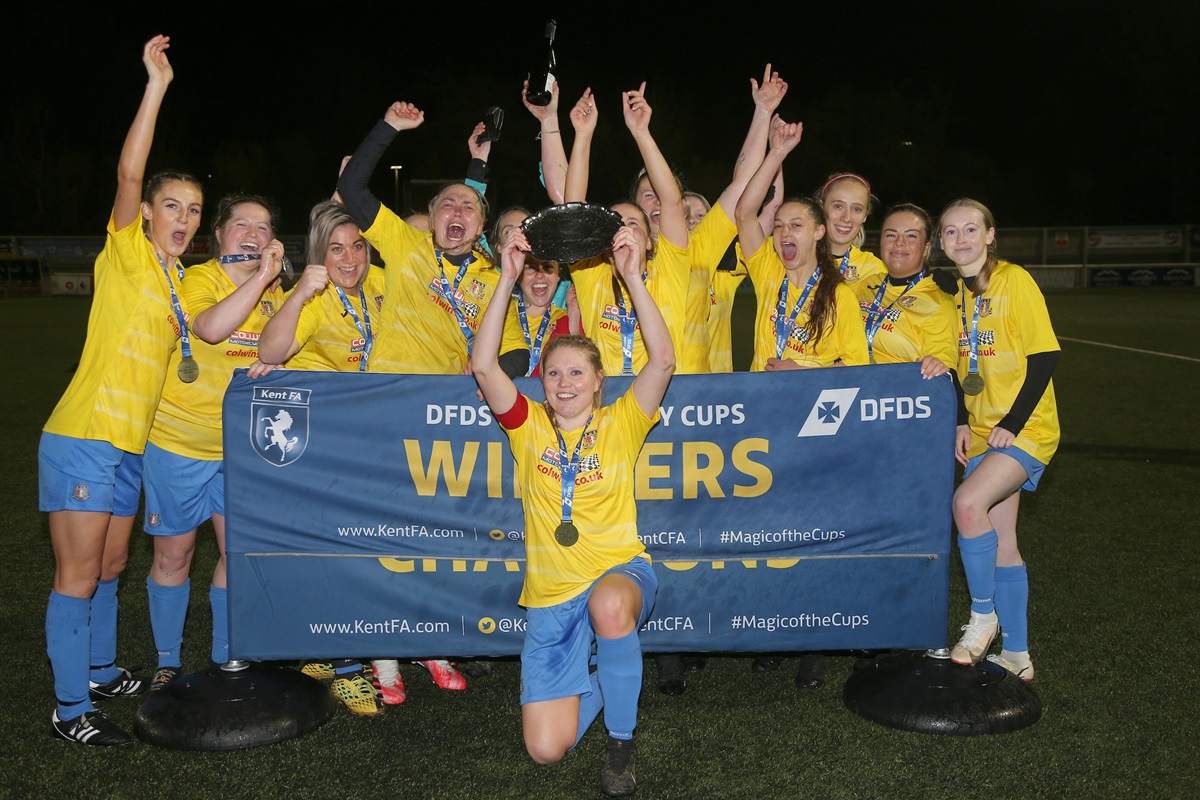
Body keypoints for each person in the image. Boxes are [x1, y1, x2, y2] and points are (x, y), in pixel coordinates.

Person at [471, 223, 675, 798]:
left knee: (609, 606)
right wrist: (507, 278)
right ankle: (611, 670)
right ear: (541, 381)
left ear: (598, 381)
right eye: (553, 373)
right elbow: (485, 366)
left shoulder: (622, 421)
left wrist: (633, 277)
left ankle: (621, 744)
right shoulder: (527, 426)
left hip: (619, 574)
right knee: (545, 749)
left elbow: (663, 361)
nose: (563, 383)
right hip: (551, 598)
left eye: (576, 372)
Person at [39, 35, 202, 746]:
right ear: (148, 214)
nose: (183, 219)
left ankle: (102, 670)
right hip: (84, 436)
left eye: (193, 210)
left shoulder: (177, 282)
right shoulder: (128, 252)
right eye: (172, 206)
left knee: (110, 564)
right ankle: (70, 709)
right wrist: (156, 85)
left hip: (129, 447)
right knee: (77, 573)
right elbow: (129, 171)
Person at [140, 194, 287, 693]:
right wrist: (263, 277)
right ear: (220, 234)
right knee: (174, 556)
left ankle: (227, 655)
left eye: (263, 227)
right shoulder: (198, 280)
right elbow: (211, 328)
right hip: (179, 443)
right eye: (241, 224)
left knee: (236, 553)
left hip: (242, 452)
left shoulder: (277, 295)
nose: (253, 234)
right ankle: (167, 660)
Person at [941, 199, 1060, 683]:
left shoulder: (1014, 280)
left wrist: (1012, 421)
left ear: (990, 235)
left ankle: (983, 615)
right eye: (951, 231)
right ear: (942, 242)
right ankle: (1017, 654)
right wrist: (961, 420)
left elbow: (1045, 356)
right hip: (983, 431)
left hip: (1025, 430)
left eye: (971, 229)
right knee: (1003, 543)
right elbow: (959, 368)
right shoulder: (957, 296)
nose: (961, 238)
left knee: (966, 504)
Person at [337, 101, 500, 377]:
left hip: (445, 395)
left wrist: (484, 367)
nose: (457, 211)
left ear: (480, 228)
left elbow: (513, 349)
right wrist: (389, 126)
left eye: (467, 207)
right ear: (433, 221)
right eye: (447, 204)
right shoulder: (406, 243)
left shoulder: (494, 279)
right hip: (389, 385)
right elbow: (350, 187)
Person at [560, 84, 690, 377]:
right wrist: (583, 135)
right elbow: (573, 213)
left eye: (633, 224)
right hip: (604, 397)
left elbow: (672, 202)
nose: (624, 231)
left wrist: (642, 133)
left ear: (649, 242)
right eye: (616, 224)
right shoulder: (592, 274)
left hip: (665, 395)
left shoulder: (670, 270)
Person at [735, 118, 869, 371]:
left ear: (819, 231)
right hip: (761, 392)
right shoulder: (768, 270)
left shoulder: (840, 295)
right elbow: (744, 213)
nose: (785, 232)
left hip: (810, 396)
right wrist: (777, 152)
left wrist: (801, 373)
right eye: (778, 226)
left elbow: (857, 367)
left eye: (796, 225)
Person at [857, 203, 957, 374]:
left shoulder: (939, 302)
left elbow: (942, 364)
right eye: (890, 235)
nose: (899, 243)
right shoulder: (865, 284)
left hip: (897, 387)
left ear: (926, 248)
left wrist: (936, 365)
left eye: (911, 236)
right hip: (850, 383)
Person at [818, 172, 886, 292]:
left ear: (865, 215)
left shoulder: (874, 269)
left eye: (856, 209)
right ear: (822, 207)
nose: (846, 218)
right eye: (838, 206)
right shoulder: (796, 258)